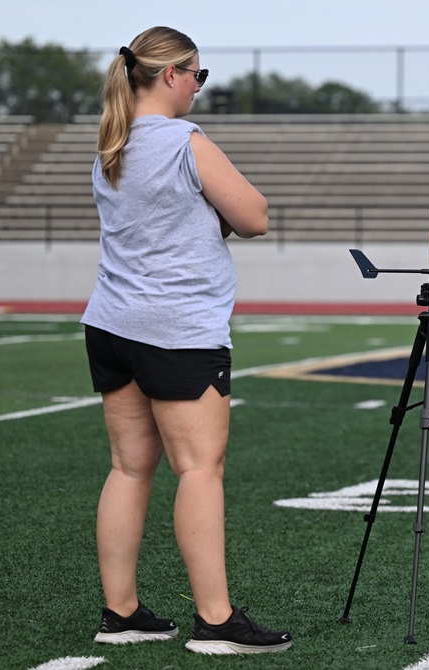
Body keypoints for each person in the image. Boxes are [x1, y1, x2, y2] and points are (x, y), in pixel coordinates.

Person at [81, 26, 292, 654]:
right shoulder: (185, 141)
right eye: (197, 76)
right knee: (200, 469)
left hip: (111, 324)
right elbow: (254, 216)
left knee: (127, 467)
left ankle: (120, 613)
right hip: (176, 329)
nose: (200, 87)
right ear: (171, 74)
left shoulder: (110, 144)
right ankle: (216, 621)